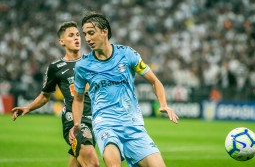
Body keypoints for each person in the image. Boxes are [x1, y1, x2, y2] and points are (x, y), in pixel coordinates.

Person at [70, 12, 179, 167]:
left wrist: (163, 104)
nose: (87, 39)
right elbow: (78, 98)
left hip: (133, 125)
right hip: (105, 125)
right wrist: (77, 123)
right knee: (113, 163)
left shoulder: (127, 54)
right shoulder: (82, 66)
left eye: (91, 33)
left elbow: (154, 81)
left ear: (104, 31)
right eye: (85, 34)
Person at [11, 21, 100, 167]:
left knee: (78, 162)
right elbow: (45, 95)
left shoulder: (92, 61)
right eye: (71, 35)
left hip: (96, 120)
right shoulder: (55, 68)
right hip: (74, 122)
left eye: (78, 35)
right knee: (92, 162)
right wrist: (28, 107)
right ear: (62, 41)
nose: (76, 38)